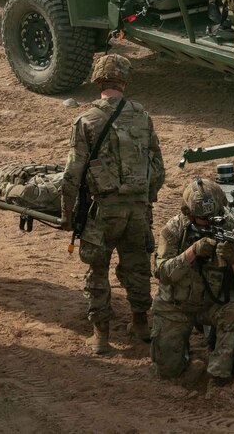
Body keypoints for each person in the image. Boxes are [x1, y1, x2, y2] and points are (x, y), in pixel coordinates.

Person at [60, 53, 165, 354]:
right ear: (124, 80)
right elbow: (158, 166)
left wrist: (68, 213)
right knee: (137, 265)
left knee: (97, 270)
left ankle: (101, 336)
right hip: (137, 209)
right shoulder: (142, 116)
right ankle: (142, 324)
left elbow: (72, 172)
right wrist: (147, 199)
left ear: (97, 81)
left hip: (103, 210)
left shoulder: (86, 121)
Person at [150, 178, 234, 383]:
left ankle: (218, 373)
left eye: (213, 218)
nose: (208, 223)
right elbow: (162, 272)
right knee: (167, 371)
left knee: (233, 310)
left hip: (212, 303)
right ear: (189, 213)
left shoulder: (232, 230)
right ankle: (183, 359)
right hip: (176, 304)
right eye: (202, 219)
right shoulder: (174, 230)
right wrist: (193, 251)